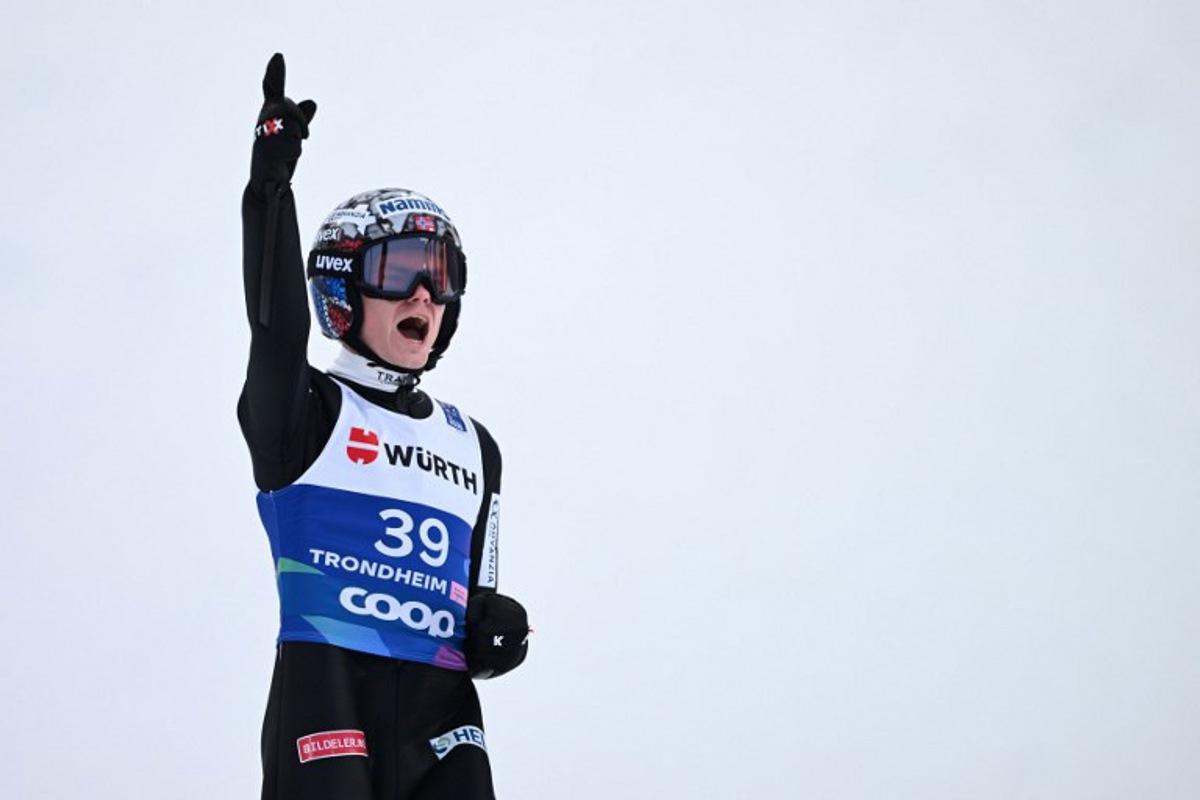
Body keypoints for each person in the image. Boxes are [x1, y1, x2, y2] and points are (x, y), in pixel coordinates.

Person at [239, 53, 530, 800]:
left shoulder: (475, 444)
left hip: (442, 722)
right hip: (328, 702)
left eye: (441, 277)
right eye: (401, 270)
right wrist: (270, 191)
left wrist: (497, 636)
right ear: (343, 290)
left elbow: (477, 616)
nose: (426, 295)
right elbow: (273, 331)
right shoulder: (303, 415)